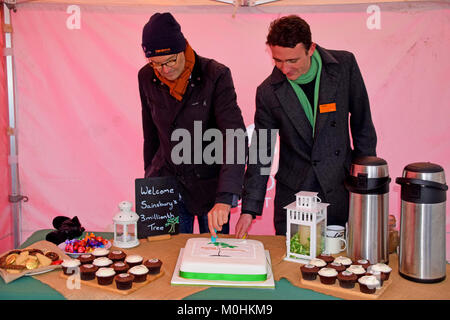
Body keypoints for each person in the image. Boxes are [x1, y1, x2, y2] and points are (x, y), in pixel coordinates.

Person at [235, 15, 377, 237]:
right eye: (277, 60)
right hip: (294, 196)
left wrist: (368, 193)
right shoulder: (268, 92)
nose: (285, 68)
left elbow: (363, 128)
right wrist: (249, 209)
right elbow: (261, 152)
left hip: (339, 188)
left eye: (292, 60)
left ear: (311, 49)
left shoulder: (343, 67)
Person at [138, 13, 247, 237]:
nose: (165, 70)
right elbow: (150, 134)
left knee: (214, 257)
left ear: (183, 48)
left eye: (170, 60)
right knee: (166, 256)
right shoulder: (146, 77)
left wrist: (226, 197)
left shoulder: (215, 75)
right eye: (156, 64)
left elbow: (234, 137)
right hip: (167, 183)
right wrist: (151, 179)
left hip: (209, 185)